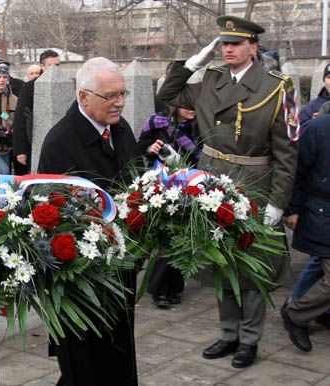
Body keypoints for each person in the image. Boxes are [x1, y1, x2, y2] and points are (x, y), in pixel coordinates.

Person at [159, 15, 298, 368]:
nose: (228, 49)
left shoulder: (276, 86)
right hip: (215, 179)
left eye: (236, 43)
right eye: (224, 43)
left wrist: (278, 203)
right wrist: (192, 63)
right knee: (222, 262)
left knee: (253, 266)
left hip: (254, 183)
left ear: (254, 47)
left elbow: (286, 153)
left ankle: (249, 339)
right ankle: (227, 333)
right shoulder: (213, 79)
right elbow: (168, 95)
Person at [38, 57, 142, 386]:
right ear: (84, 97)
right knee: (84, 360)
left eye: (122, 94)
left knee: (119, 350)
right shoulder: (60, 142)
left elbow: (134, 185)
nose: (120, 103)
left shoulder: (120, 130)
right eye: (110, 96)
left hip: (120, 265)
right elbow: (51, 213)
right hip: (82, 275)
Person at [138, 103, 201, 308]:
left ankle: (174, 288)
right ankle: (159, 290)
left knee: (182, 237)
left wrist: (181, 161)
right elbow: (141, 148)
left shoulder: (198, 126)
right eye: (186, 105)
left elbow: (201, 156)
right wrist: (151, 149)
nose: (191, 109)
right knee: (164, 237)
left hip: (189, 184)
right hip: (162, 185)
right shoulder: (157, 124)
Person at [281, 112, 330, 352]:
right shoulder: (318, 127)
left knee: (318, 267)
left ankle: (318, 310)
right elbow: (297, 171)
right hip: (322, 213)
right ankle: (295, 315)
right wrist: (293, 208)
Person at [13, 49, 60, 174]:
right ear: (42, 67)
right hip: (34, 142)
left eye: (57, 65)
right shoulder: (29, 88)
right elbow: (20, 119)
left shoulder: (65, 84)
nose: (55, 69)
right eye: (51, 65)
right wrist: (20, 150)